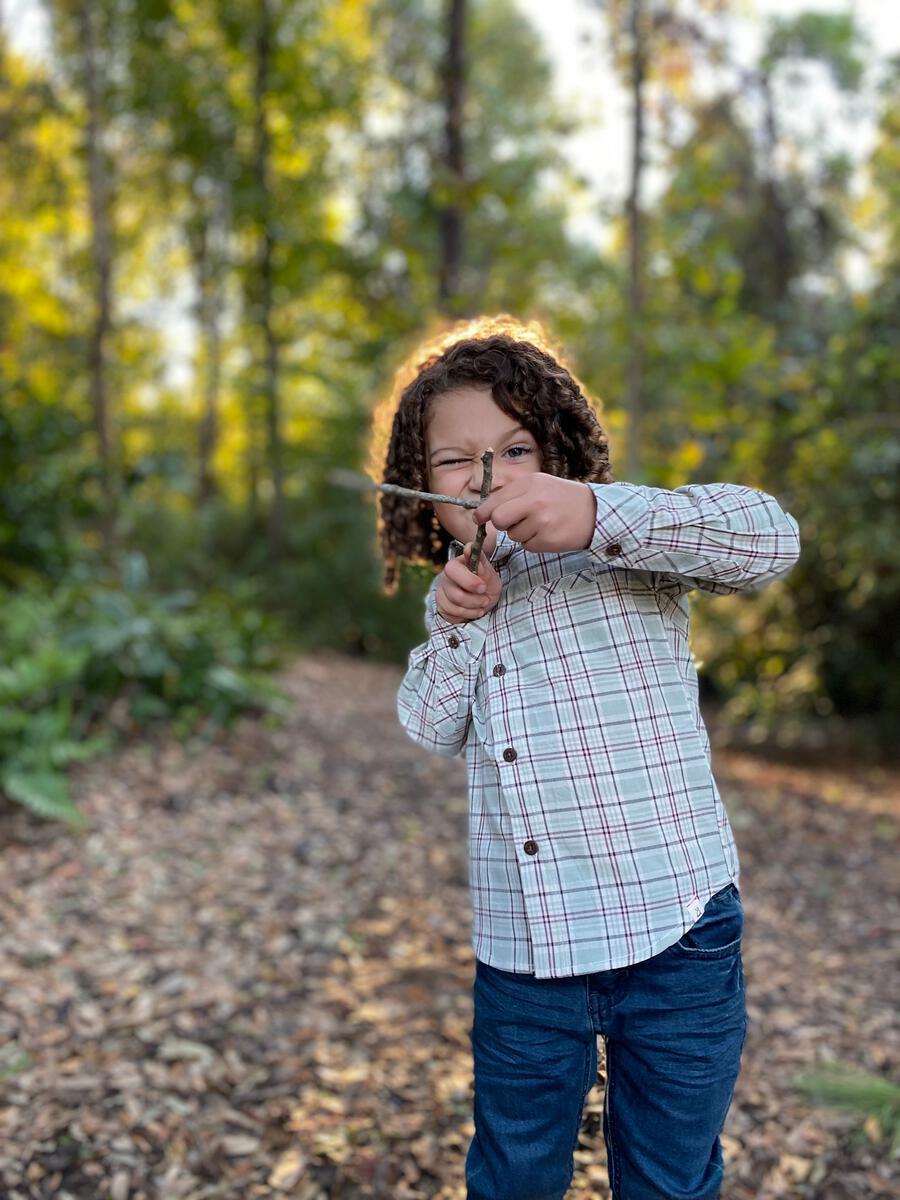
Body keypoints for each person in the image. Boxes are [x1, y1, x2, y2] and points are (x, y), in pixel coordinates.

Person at [368, 314, 801, 1200]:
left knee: (669, 1180)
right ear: (422, 494)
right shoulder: (456, 601)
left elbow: (770, 537)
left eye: (516, 447)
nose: (488, 475)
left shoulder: (628, 548)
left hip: (678, 933)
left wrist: (603, 514)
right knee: (514, 1176)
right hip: (527, 954)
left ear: (558, 451)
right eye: (456, 461)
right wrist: (456, 627)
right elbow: (428, 723)